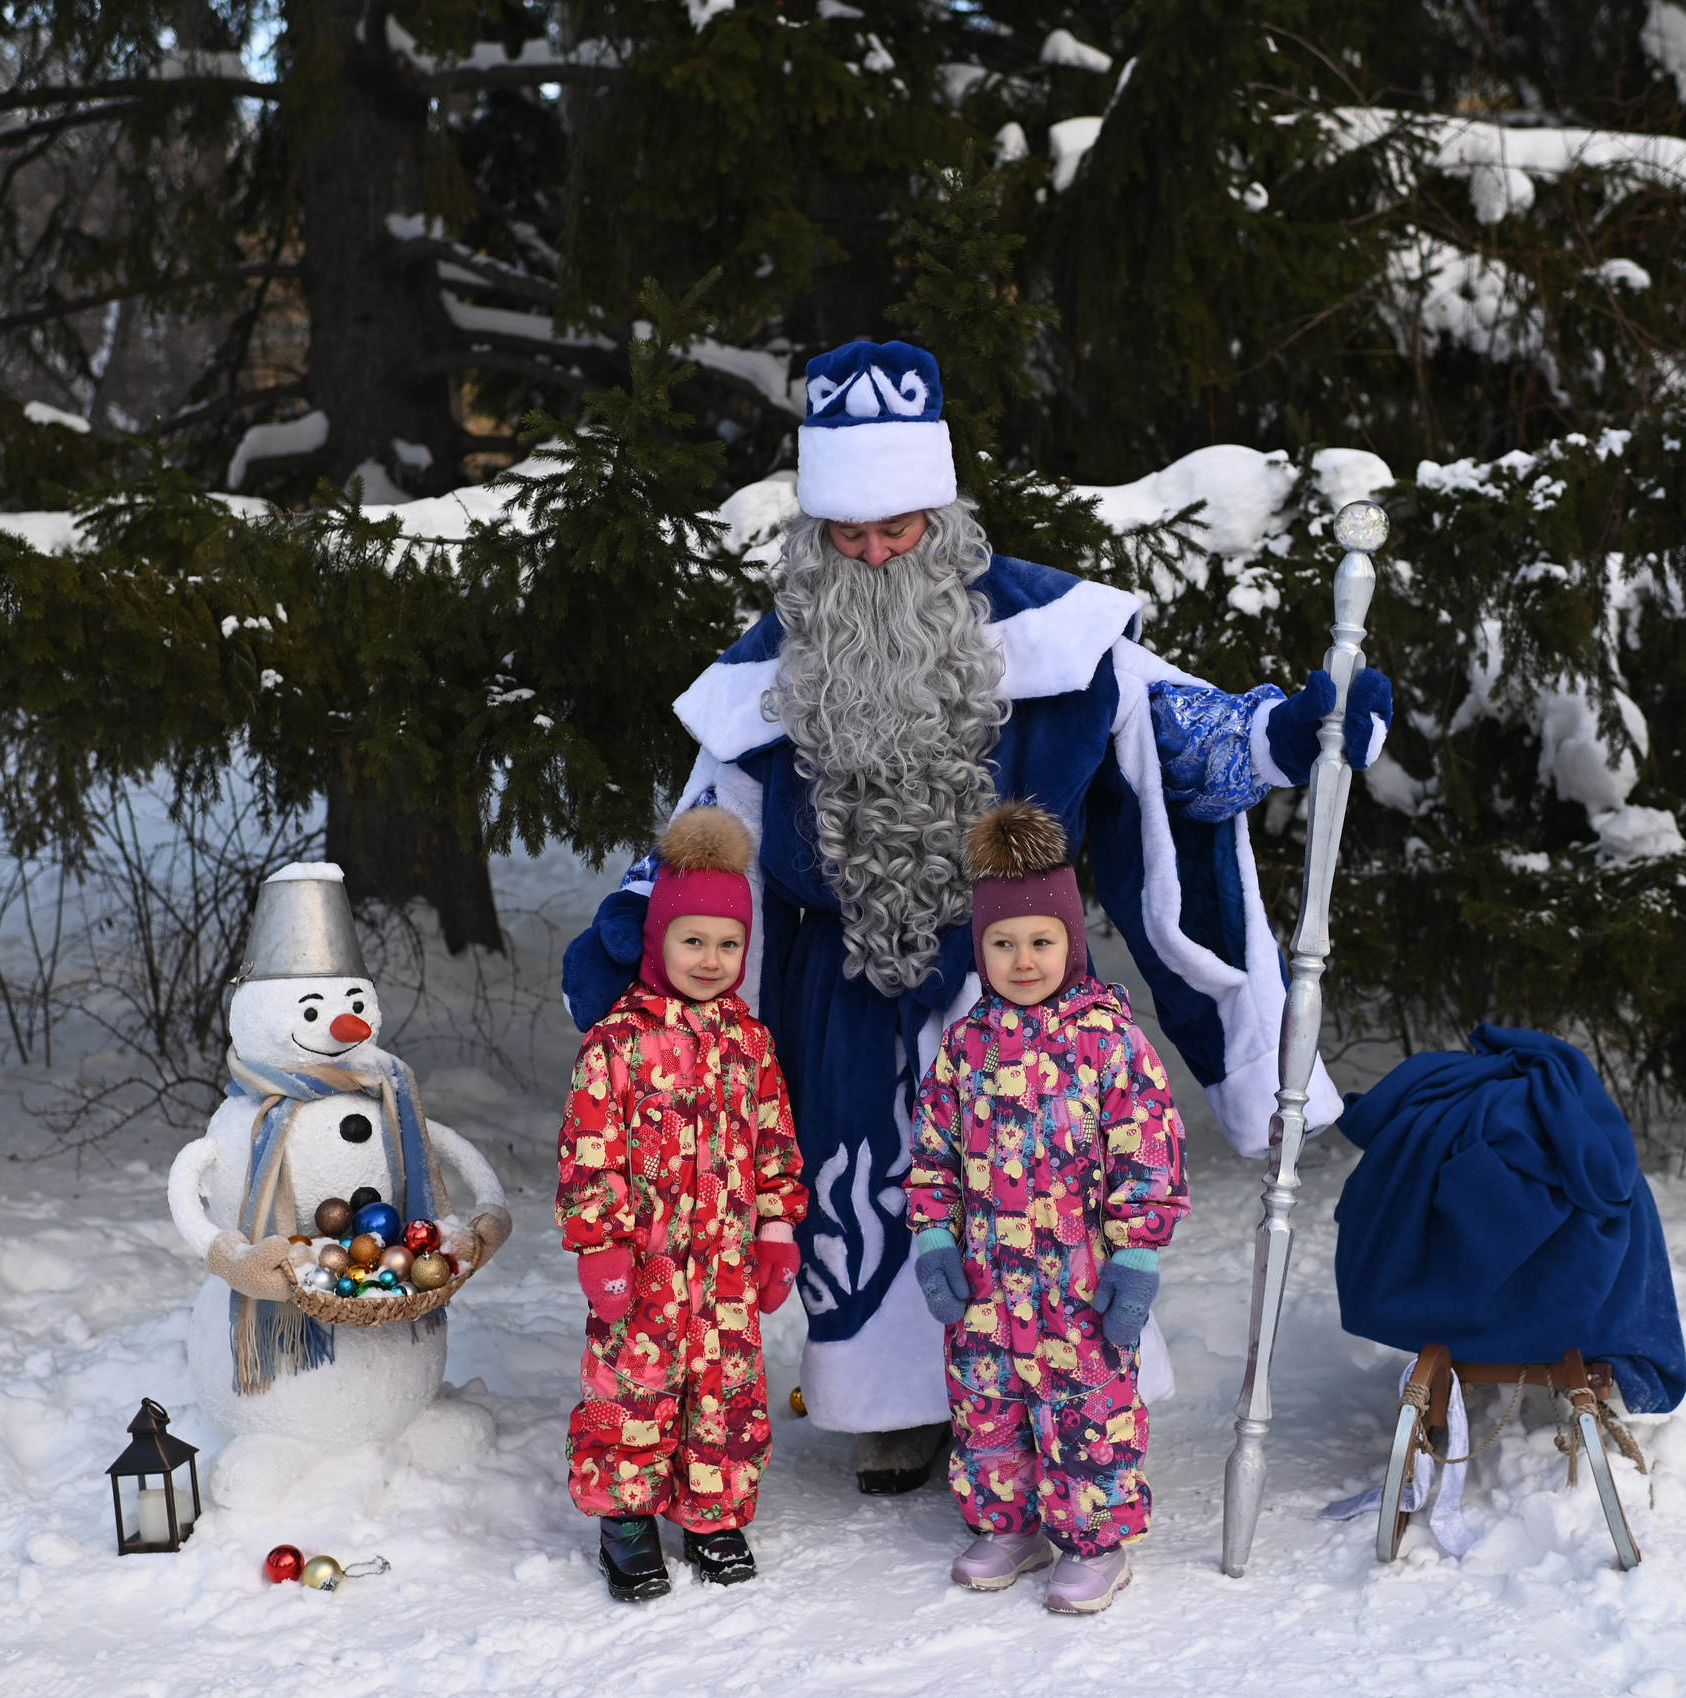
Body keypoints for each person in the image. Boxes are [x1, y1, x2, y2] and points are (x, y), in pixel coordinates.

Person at [564, 338, 1391, 1493]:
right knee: (865, 1195)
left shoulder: (1054, 632)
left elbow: (1177, 740)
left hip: (1020, 984)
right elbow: (714, 825)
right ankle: (898, 1405)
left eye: (896, 527)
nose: (872, 553)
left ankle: (1056, 1393)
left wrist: (1284, 735)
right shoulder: (776, 664)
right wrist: (640, 924)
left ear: (941, 512)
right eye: (846, 534)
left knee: (1033, 1199)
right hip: (846, 1000)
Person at [907, 801, 1189, 1613]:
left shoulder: (1109, 1040)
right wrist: (933, 1238)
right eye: (1003, 943)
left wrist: (1137, 1255)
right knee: (987, 1410)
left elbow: (1149, 1154)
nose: (1023, 959)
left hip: (1079, 1286)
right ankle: (1010, 1527)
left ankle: (1097, 1543)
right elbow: (933, 1155)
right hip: (987, 1287)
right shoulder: (965, 1047)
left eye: (1041, 940)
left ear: (1072, 941)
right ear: (980, 949)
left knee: (1087, 1414)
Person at [557, 807, 809, 1601]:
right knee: (631, 1390)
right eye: (693, 940)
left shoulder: (750, 1042)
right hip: (644, 1267)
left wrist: (776, 1230)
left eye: (728, 944)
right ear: (657, 939)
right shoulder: (616, 1041)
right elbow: (589, 1151)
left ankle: (713, 1512)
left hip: (726, 1266)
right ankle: (626, 1517)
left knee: (726, 1395)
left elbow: (775, 1144)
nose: (710, 958)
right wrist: (600, 1244)